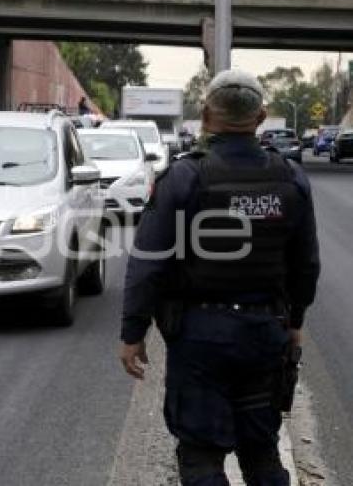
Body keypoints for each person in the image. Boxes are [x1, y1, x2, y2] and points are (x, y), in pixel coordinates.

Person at [119, 69, 320, 486]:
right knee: (261, 451)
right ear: (261, 116)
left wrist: (132, 331)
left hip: (200, 339)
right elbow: (306, 265)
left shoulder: (185, 177)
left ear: (207, 116)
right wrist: (295, 324)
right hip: (266, 333)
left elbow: (147, 262)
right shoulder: (291, 178)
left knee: (201, 456)